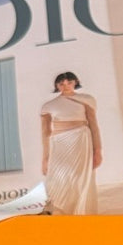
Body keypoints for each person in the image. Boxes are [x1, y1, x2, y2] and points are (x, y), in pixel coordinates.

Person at [40, 72, 101, 215]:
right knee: (59, 178)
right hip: (59, 144)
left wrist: (98, 150)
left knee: (80, 179)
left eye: (69, 82)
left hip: (81, 141)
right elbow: (45, 132)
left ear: (76, 82)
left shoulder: (87, 100)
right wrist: (45, 157)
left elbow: (94, 125)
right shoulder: (48, 106)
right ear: (57, 85)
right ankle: (61, 213)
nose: (65, 86)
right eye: (61, 83)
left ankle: (81, 213)